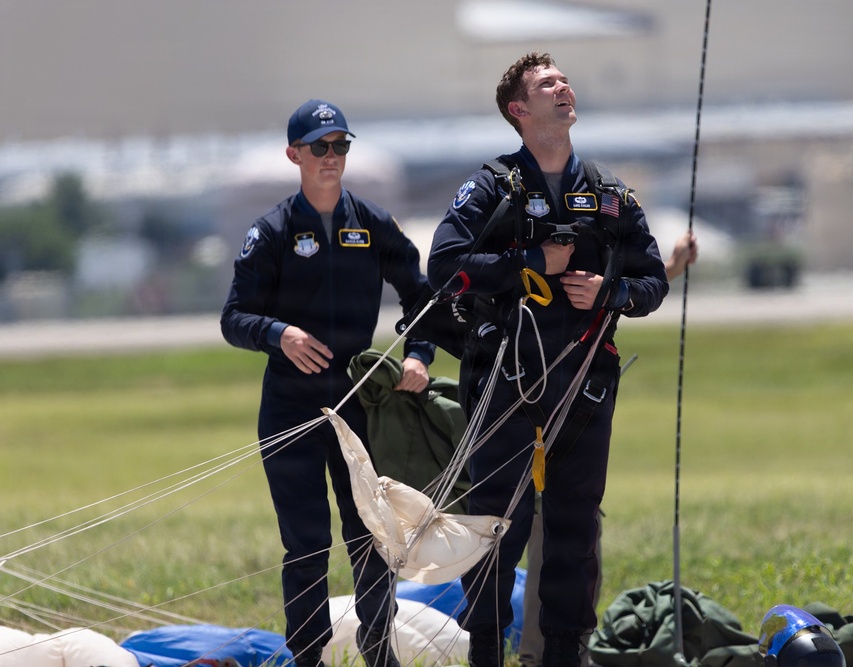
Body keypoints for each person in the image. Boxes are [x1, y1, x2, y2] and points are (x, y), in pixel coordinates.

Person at [427, 52, 670, 667]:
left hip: (583, 386)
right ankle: (486, 651)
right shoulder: (491, 188)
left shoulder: (610, 195)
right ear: (519, 110)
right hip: (503, 381)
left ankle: (565, 652)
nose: (563, 88)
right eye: (546, 84)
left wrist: (612, 294)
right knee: (492, 525)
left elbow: (653, 280)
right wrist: (532, 264)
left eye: (563, 80)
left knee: (574, 526)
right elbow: (446, 266)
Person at [220, 99, 435, 667]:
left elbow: (422, 298)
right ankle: (308, 655)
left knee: (371, 534)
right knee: (307, 543)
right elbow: (233, 318)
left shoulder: (373, 223)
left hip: (358, 404)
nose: (332, 157)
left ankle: (378, 648)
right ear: (294, 154)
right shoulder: (269, 232)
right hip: (290, 407)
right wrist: (278, 333)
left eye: (341, 145)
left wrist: (419, 354)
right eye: (320, 147)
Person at [519, 231, 698, 667]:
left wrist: (668, 268)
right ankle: (538, 655)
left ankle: (562, 651)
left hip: (583, 405)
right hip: (531, 401)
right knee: (549, 532)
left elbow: (616, 288)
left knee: (578, 531)